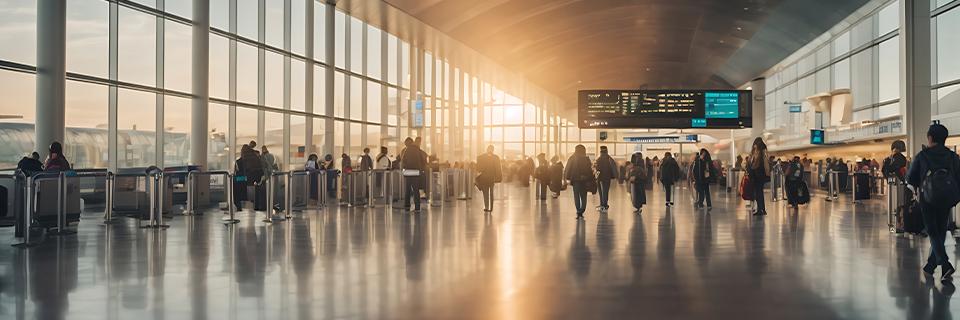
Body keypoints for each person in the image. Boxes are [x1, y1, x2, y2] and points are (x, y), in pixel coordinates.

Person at [908, 124, 960, 281]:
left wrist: (916, 189)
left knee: (932, 230)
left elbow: (911, 178)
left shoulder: (923, 155)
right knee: (940, 229)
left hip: (927, 197)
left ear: (930, 138)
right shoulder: (953, 156)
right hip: (947, 197)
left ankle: (945, 264)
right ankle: (930, 266)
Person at [565, 145, 593, 220]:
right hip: (584, 180)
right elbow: (590, 170)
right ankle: (582, 210)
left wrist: (567, 177)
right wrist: (590, 178)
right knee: (584, 196)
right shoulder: (586, 159)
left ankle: (578, 210)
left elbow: (568, 168)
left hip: (575, 180)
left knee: (576, 195)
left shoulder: (572, 158)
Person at [400, 137, 428, 212]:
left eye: (406, 143)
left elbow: (403, 161)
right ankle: (417, 208)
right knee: (416, 190)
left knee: (407, 190)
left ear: (408, 143)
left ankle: (407, 206)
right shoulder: (418, 150)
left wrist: (403, 169)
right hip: (416, 172)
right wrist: (421, 169)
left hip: (408, 172)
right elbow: (423, 160)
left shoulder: (406, 150)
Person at [476, 145, 503, 213]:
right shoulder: (495, 158)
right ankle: (489, 207)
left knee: (487, 193)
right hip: (490, 178)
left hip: (487, 178)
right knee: (489, 193)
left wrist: (499, 177)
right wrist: (499, 177)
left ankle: (488, 207)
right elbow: (498, 169)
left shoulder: (482, 157)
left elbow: (479, 168)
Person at [748, 138, 771, 216]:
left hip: (759, 174)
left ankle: (761, 209)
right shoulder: (759, 152)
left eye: (755, 145)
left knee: (758, 192)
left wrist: (767, 173)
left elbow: (765, 163)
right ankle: (762, 209)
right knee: (759, 192)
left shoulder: (761, 152)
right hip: (758, 174)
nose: (754, 146)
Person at [594, 146, 618, 212]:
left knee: (601, 192)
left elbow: (596, 170)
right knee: (605, 192)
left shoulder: (598, 159)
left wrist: (595, 177)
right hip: (607, 178)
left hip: (599, 178)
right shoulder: (610, 159)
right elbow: (614, 168)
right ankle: (604, 205)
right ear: (607, 151)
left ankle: (603, 205)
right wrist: (615, 176)